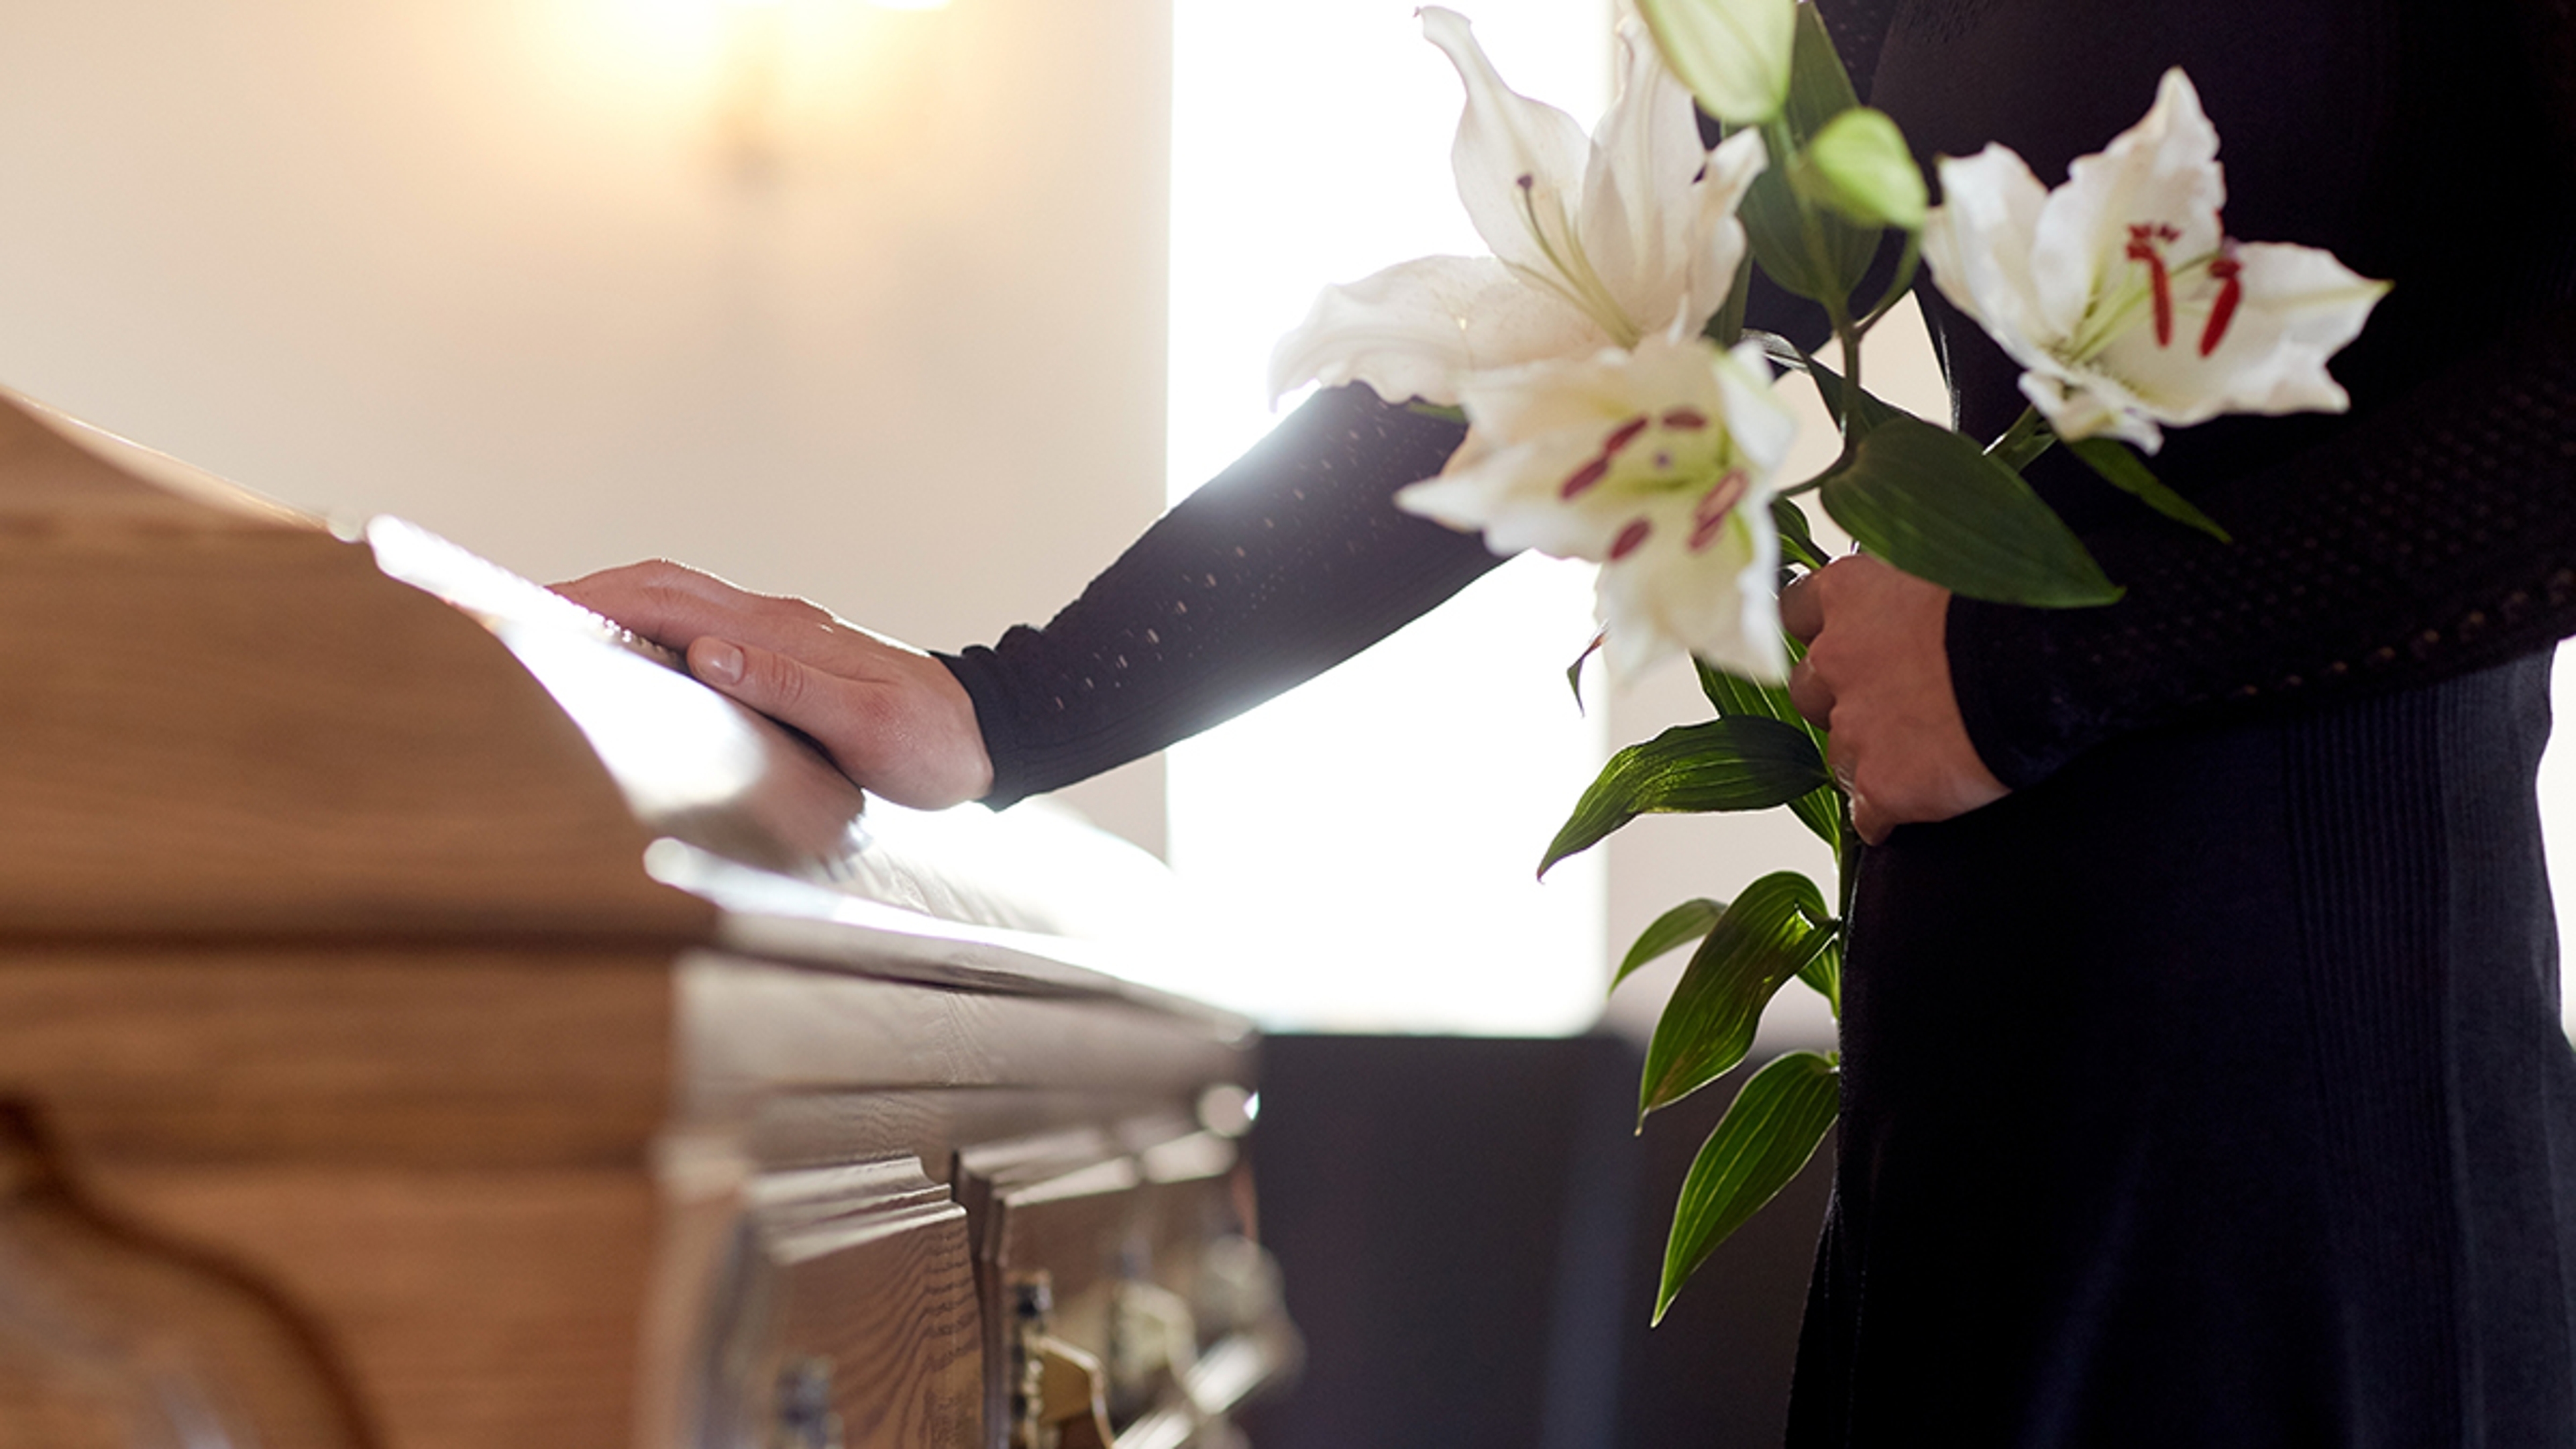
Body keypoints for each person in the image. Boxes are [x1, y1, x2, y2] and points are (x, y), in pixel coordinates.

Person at [560, 0, 2576, 1440]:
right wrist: (1005, 702)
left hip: (2323, 1098)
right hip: (1988, 1059)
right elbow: (1614, 324)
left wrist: (2045, 661)